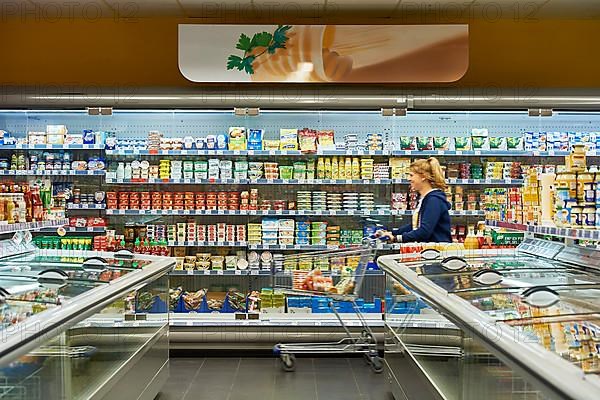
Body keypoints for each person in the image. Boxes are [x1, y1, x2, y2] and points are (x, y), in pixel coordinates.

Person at [377, 157, 452, 243]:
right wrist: (391, 233)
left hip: (437, 252)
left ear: (423, 177)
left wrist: (396, 238)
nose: (409, 179)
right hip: (430, 252)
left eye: (411, 175)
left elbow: (424, 232)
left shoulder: (434, 200)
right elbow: (415, 226)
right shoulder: (426, 198)